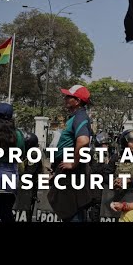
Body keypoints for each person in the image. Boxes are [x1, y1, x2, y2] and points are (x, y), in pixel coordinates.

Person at [47, 85, 93, 222]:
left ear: (77, 101)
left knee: (71, 211)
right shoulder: (74, 117)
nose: (65, 98)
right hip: (66, 171)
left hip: (72, 173)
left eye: (69, 96)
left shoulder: (80, 116)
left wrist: (73, 162)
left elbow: (83, 140)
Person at [104, 129, 133, 201]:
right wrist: (114, 181)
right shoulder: (116, 157)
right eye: (132, 142)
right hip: (117, 197)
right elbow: (106, 174)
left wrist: (130, 180)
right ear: (125, 143)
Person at [88, 131, 112, 222]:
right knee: (95, 209)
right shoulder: (93, 154)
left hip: (104, 187)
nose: (106, 146)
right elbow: (93, 169)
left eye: (106, 144)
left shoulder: (107, 155)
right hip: (94, 186)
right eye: (103, 144)